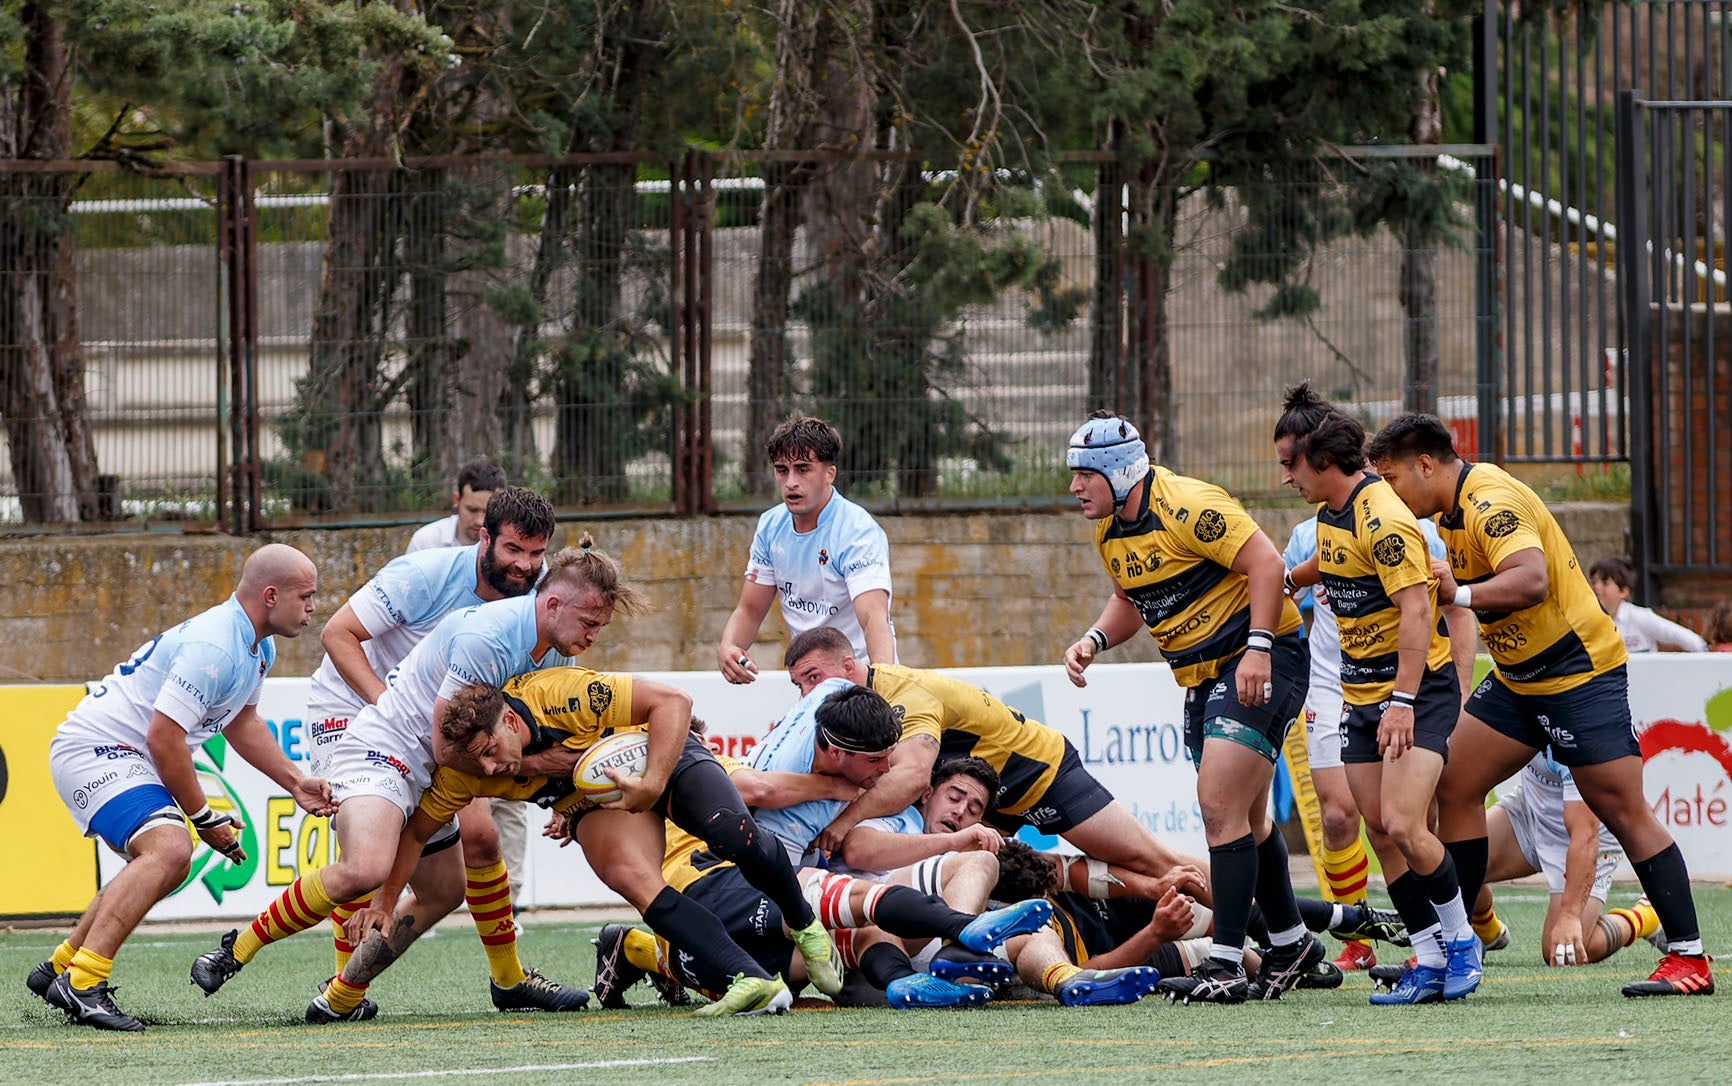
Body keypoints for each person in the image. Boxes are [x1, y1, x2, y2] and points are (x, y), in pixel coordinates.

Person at [188, 542, 628, 1019]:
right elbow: (450, 748)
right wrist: (551, 771)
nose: (595, 637)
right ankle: (235, 951)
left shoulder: (555, 654)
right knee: (366, 867)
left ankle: (347, 996)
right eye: (590, 624)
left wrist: (572, 799)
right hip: (388, 749)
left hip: (441, 764)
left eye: (601, 626)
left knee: (448, 886)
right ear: (554, 604)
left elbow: (532, 740)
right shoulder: (489, 635)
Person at [1369, 412, 1714, 998]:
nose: (1390, 495)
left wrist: (1459, 592)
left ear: (1426, 465)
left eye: (1392, 478)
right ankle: (1460, 947)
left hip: (1578, 672)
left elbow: (1530, 579)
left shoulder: (1489, 501)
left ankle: (1689, 959)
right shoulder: (1446, 513)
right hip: (1518, 678)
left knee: (1622, 808)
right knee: (1453, 785)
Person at [353, 674, 848, 1018]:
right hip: (598, 802)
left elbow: (674, 703)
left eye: (489, 753)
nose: (487, 770)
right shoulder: (465, 772)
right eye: (474, 762)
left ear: (507, 722)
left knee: (729, 832)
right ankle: (752, 978)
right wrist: (383, 899)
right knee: (634, 881)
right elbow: (417, 831)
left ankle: (805, 926)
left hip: (654, 755)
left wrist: (652, 783)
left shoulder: (562, 694)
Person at [1059, 411, 1322, 1005]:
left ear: (1119, 473)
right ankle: (1291, 941)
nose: (1074, 487)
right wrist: (1094, 640)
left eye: (1084, 475)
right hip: (1204, 675)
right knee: (1249, 819)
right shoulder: (1109, 530)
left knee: (1218, 805)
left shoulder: (1188, 504)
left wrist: (1258, 648)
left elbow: (1267, 564)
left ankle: (1227, 962)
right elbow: (1130, 599)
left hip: (1263, 654)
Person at [32, 545, 330, 1031]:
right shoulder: (216, 648)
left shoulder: (258, 646)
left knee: (163, 857)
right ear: (271, 596)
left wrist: (296, 782)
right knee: (171, 850)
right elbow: (164, 736)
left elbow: (242, 724)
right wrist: (206, 818)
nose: (314, 607)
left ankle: (62, 966)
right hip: (96, 749)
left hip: (121, 752)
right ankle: (84, 982)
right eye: (307, 596)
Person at [1275, 385, 1480, 1006]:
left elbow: (1418, 612)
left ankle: (1462, 944)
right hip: (1358, 693)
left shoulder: (1383, 516)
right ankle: (1423, 957)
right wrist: (1281, 579)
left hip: (1413, 693)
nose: (1285, 476)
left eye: (1291, 464)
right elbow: (1330, 563)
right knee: (1379, 830)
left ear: (1323, 462)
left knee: (1403, 823)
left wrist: (1403, 702)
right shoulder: (1332, 518)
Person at [307, 485, 553, 980]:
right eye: (513, 550)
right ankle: (340, 985)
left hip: (439, 727)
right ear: (484, 538)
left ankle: (509, 981)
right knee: (363, 846)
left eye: (536, 553)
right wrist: (391, 712)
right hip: (353, 706)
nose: (525, 566)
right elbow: (337, 633)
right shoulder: (426, 572)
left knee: (481, 840)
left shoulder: (543, 592)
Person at [590, 749, 1053, 1012]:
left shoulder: (594, 807)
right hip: (710, 887)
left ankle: (629, 945)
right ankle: (960, 927)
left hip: (693, 950)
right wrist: (837, 788)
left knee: (836, 939)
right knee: (833, 898)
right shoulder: (692, 767)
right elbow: (759, 788)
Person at [779, 627, 1208, 908]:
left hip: (1041, 774)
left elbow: (910, 777)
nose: (807, 694)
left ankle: (1252, 919)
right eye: (800, 684)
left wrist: (843, 820)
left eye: (814, 678)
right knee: (1028, 871)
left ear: (849, 665)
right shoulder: (861, 710)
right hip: (988, 798)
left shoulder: (903, 693)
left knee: (1151, 858)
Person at [1281, 513, 1459, 972]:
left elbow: (1449, 606)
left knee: (1412, 819)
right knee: (1341, 816)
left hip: (1399, 684)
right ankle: (1361, 936)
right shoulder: (1307, 535)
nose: (1288, 477)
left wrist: (1453, 683)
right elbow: (1282, 597)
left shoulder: (1415, 532)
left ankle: (1453, 927)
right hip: (1332, 686)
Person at [717, 414, 895, 683]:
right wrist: (728, 646)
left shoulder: (858, 530)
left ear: (829, 474)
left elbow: (873, 618)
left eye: (802, 469)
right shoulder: (770, 526)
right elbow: (749, 611)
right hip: (808, 679)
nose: (790, 482)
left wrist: (882, 687)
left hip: (860, 676)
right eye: (781, 470)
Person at [1466, 751, 1660, 968]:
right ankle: (1485, 929)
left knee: (1562, 952)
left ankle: (1645, 916)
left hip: (1588, 833)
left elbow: (1585, 834)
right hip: (1530, 812)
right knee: (1449, 864)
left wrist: (1570, 916)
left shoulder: (1582, 729)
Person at [1587, 557, 1710, 653]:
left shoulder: (1640, 617)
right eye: (1594, 582)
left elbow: (1681, 636)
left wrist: (1709, 656)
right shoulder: (1588, 621)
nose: (1596, 587)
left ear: (1623, 591)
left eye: (1605, 583)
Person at [406, 459, 507, 552]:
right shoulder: (427, 542)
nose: (479, 521)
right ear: (457, 500)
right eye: (472, 510)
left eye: (488, 512)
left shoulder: (509, 545)